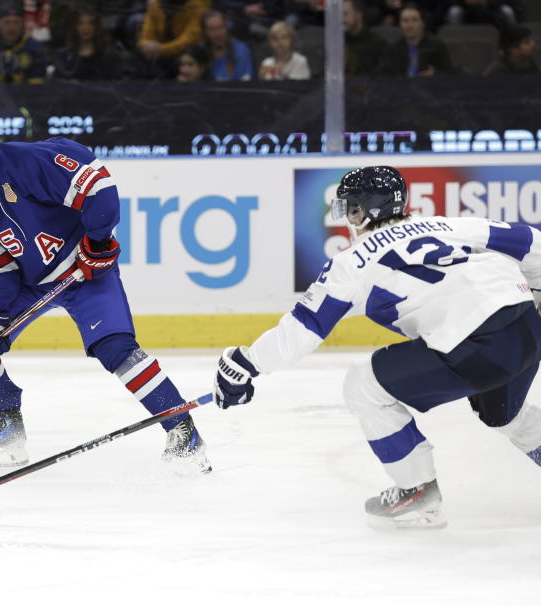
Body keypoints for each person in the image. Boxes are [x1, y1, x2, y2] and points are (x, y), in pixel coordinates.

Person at [213, 165, 541, 529]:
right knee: (505, 414)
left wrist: (245, 363)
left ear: (364, 211)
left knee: (363, 388)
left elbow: (304, 328)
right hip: (526, 328)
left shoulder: (350, 263)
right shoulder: (450, 225)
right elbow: (532, 241)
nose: (347, 218)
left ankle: (417, 491)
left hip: (475, 345)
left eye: (350, 208)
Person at [0, 99, 211, 474]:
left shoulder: (29, 162)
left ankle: (181, 427)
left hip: (84, 270)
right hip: (30, 283)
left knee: (115, 348)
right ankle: (6, 426)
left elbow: (98, 184)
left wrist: (97, 243)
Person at [376, 3, 455, 76]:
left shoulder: (437, 46)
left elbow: (450, 73)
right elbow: (383, 74)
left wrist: (436, 74)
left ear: (423, 23)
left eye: (414, 20)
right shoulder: (392, 49)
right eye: (405, 21)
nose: (410, 25)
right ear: (400, 25)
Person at [136, 0, 210, 77]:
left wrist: (162, 49)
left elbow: (190, 39)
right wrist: (145, 44)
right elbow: (146, 34)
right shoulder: (155, 4)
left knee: (192, 53)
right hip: (158, 52)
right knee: (140, 54)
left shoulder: (196, 6)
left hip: (182, 51)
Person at [52, 7, 126, 81]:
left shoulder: (110, 55)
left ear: (97, 27)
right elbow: (56, 84)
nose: (85, 28)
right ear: (75, 27)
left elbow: (119, 83)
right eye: (80, 23)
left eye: (91, 23)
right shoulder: (63, 56)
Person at [201, 10, 254, 81]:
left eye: (221, 27)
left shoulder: (241, 50)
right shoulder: (199, 50)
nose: (218, 34)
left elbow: (244, 81)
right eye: (211, 29)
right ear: (204, 32)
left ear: (227, 28)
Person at [344, 0, 389, 76]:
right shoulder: (338, 44)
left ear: (358, 15)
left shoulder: (378, 45)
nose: (341, 19)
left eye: (345, 14)